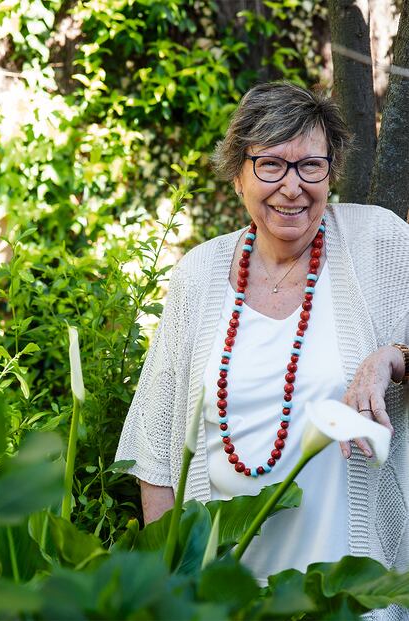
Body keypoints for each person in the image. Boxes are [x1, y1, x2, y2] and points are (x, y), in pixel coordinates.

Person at [116, 82, 409, 604]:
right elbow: (156, 455)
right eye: (271, 164)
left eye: (310, 166)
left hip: (352, 597)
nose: (292, 187)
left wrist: (395, 357)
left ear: (331, 171)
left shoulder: (380, 245)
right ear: (237, 176)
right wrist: (177, 590)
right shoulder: (197, 275)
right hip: (226, 601)